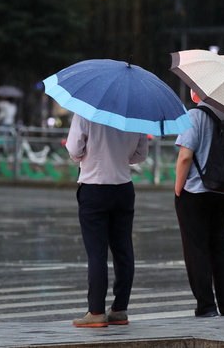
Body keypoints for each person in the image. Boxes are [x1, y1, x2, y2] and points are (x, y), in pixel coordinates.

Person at [66, 113, 149, 327]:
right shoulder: (134, 111)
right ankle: (119, 309)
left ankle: (95, 312)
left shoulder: (85, 110)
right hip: (123, 187)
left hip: (94, 186)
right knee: (123, 251)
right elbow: (141, 154)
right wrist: (119, 155)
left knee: (97, 253)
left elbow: (75, 150)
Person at [174, 90, 224, 318]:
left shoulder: (193, 116)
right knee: (221, 248)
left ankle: (206, 307)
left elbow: (184, 156)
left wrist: (178, 188)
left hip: (195, 191)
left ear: (196, 93)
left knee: (196, 249)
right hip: (223, 190)